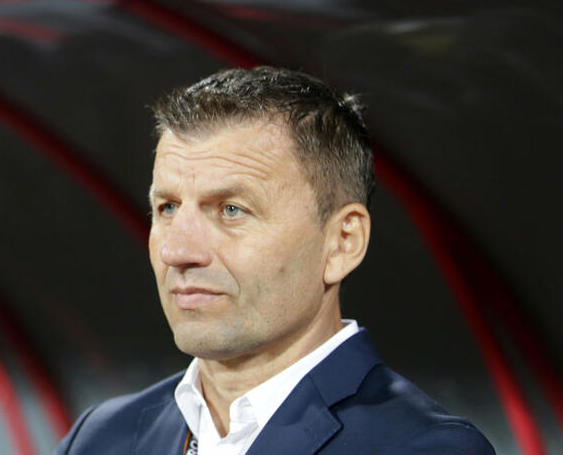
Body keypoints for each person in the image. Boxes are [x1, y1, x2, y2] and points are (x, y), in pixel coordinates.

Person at [55, 67, 494, 454]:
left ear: (342, 242)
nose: (177, 252)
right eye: (167, 208)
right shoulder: (98, 440)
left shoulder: (424, 449)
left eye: (231, 210)